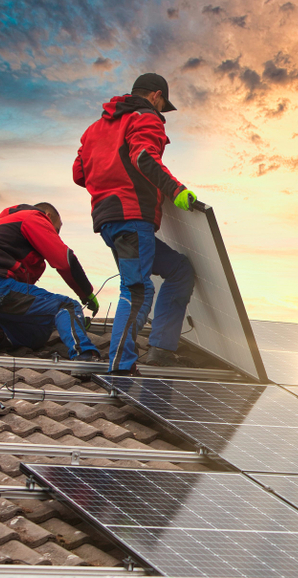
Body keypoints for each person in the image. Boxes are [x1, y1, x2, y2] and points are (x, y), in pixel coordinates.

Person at [73, 73, 198, 374]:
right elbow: (144, 156)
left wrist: (109, 173)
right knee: (138, 290)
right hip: (131, 216)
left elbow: (79, 173)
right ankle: (120, 364)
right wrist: (176, 190)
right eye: (162, 105)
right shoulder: (146, 117)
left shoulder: (95, 128)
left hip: (108, 220)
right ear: (156, 96)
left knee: (180, 270)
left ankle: (161, 349)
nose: (161, 111)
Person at [0, 203, 101, 360]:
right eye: (56, 230)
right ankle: (84, 355)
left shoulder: (8, 231)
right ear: (48, 216)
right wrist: (86, 294)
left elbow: (23, 298)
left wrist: (72, 323)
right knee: (67, 306)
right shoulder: (33, 217)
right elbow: (65, 261)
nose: (56, 235)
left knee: (38, 334)